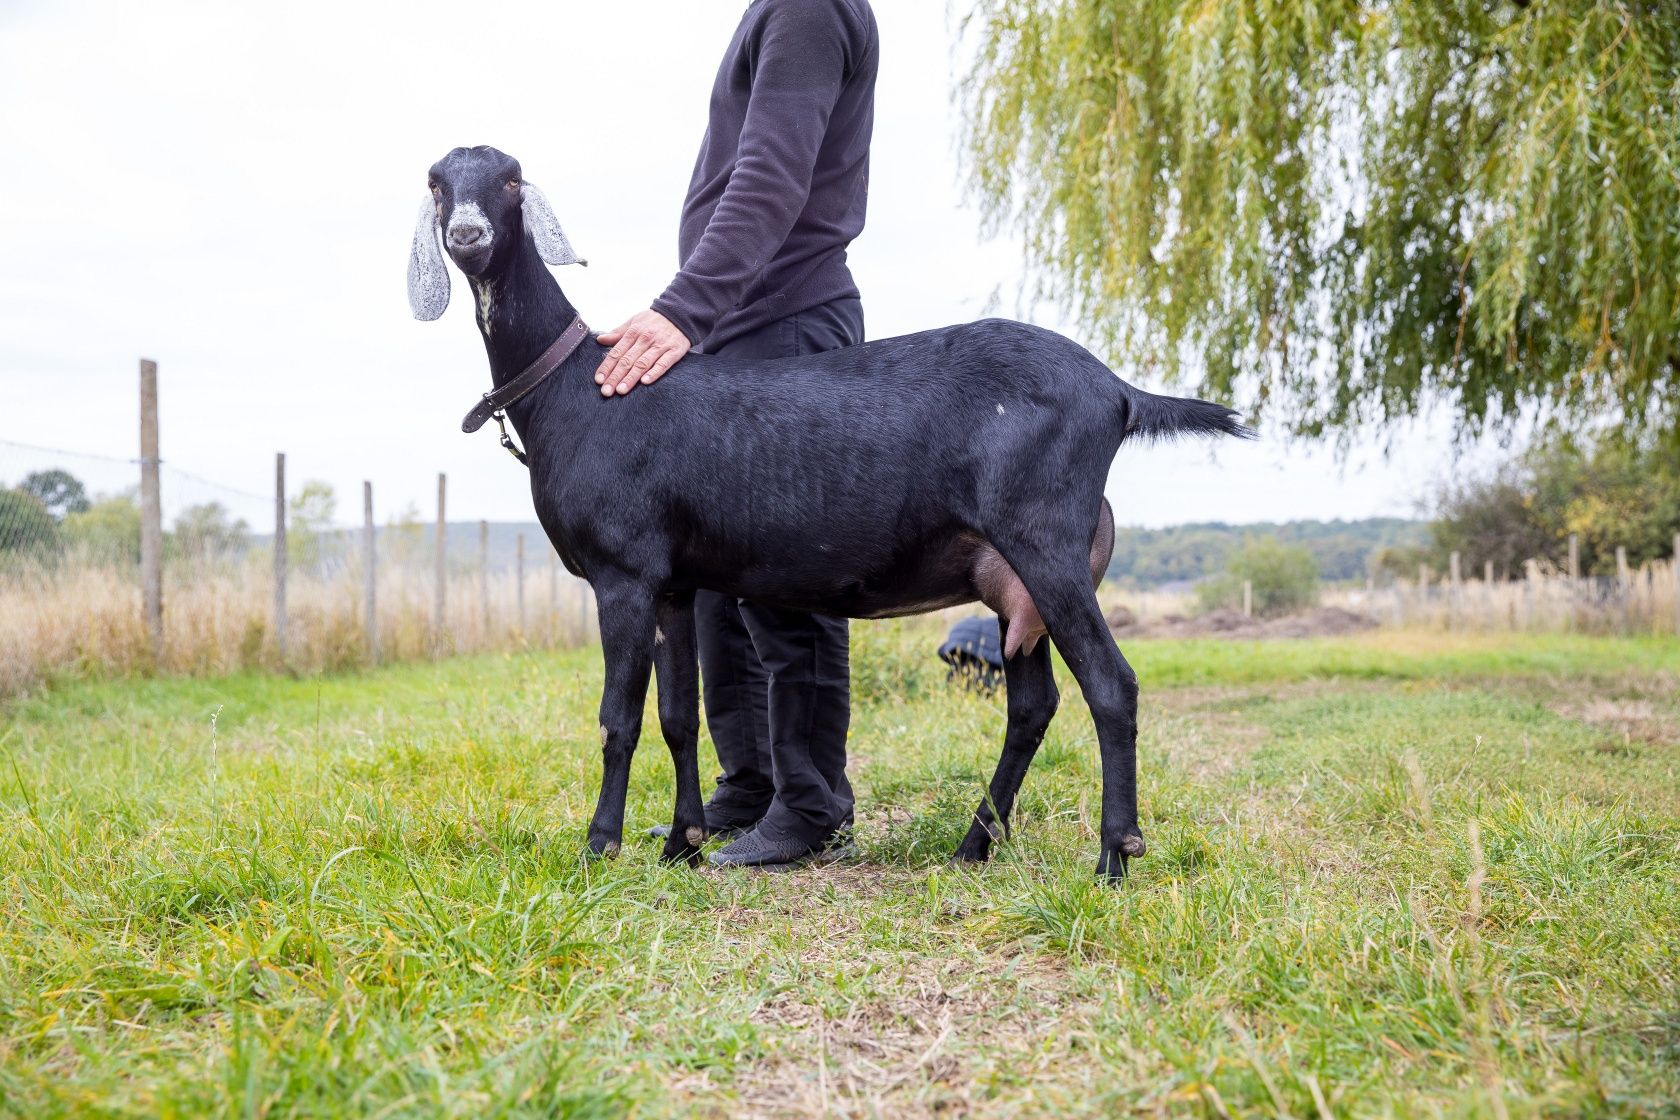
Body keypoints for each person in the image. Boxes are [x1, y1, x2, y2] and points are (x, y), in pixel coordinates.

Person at [594, 0, 880, 869]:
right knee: (714, 570)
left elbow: (772, 172)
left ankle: (812, 802)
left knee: (794, 569)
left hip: (787, 325)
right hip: (738, 330)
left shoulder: (806, 5)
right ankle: (750, 783)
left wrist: (685, 308)